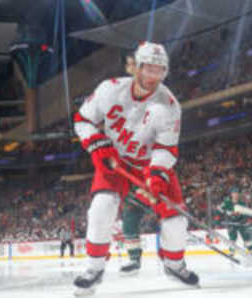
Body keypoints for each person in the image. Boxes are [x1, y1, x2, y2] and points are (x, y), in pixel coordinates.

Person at [72, 41, 199, 295]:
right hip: (114, 160)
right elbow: (83, 120)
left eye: (160, 70)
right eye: (149, 69)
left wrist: (156, 177)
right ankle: (94, 268)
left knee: (175, 220)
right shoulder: (109, 89)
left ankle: (174, 265)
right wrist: (97, 143)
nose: (154, 76)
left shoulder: (170, 106)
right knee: (101, 207)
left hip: (149, 164)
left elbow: (166, 150)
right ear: (135, 67)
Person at [218, 187, 252, 256]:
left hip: (241, 222)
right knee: (232, 237)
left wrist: (246, 220)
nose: (235, 195)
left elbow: (246, 213)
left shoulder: (242, 203)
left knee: (246, 236)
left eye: (237, 193)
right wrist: (219, 218)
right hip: (231, 223)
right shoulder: (227, 202)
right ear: (231, 194)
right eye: (234, 193)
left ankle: (251, 250)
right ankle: (232, 251)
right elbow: (219, 209)